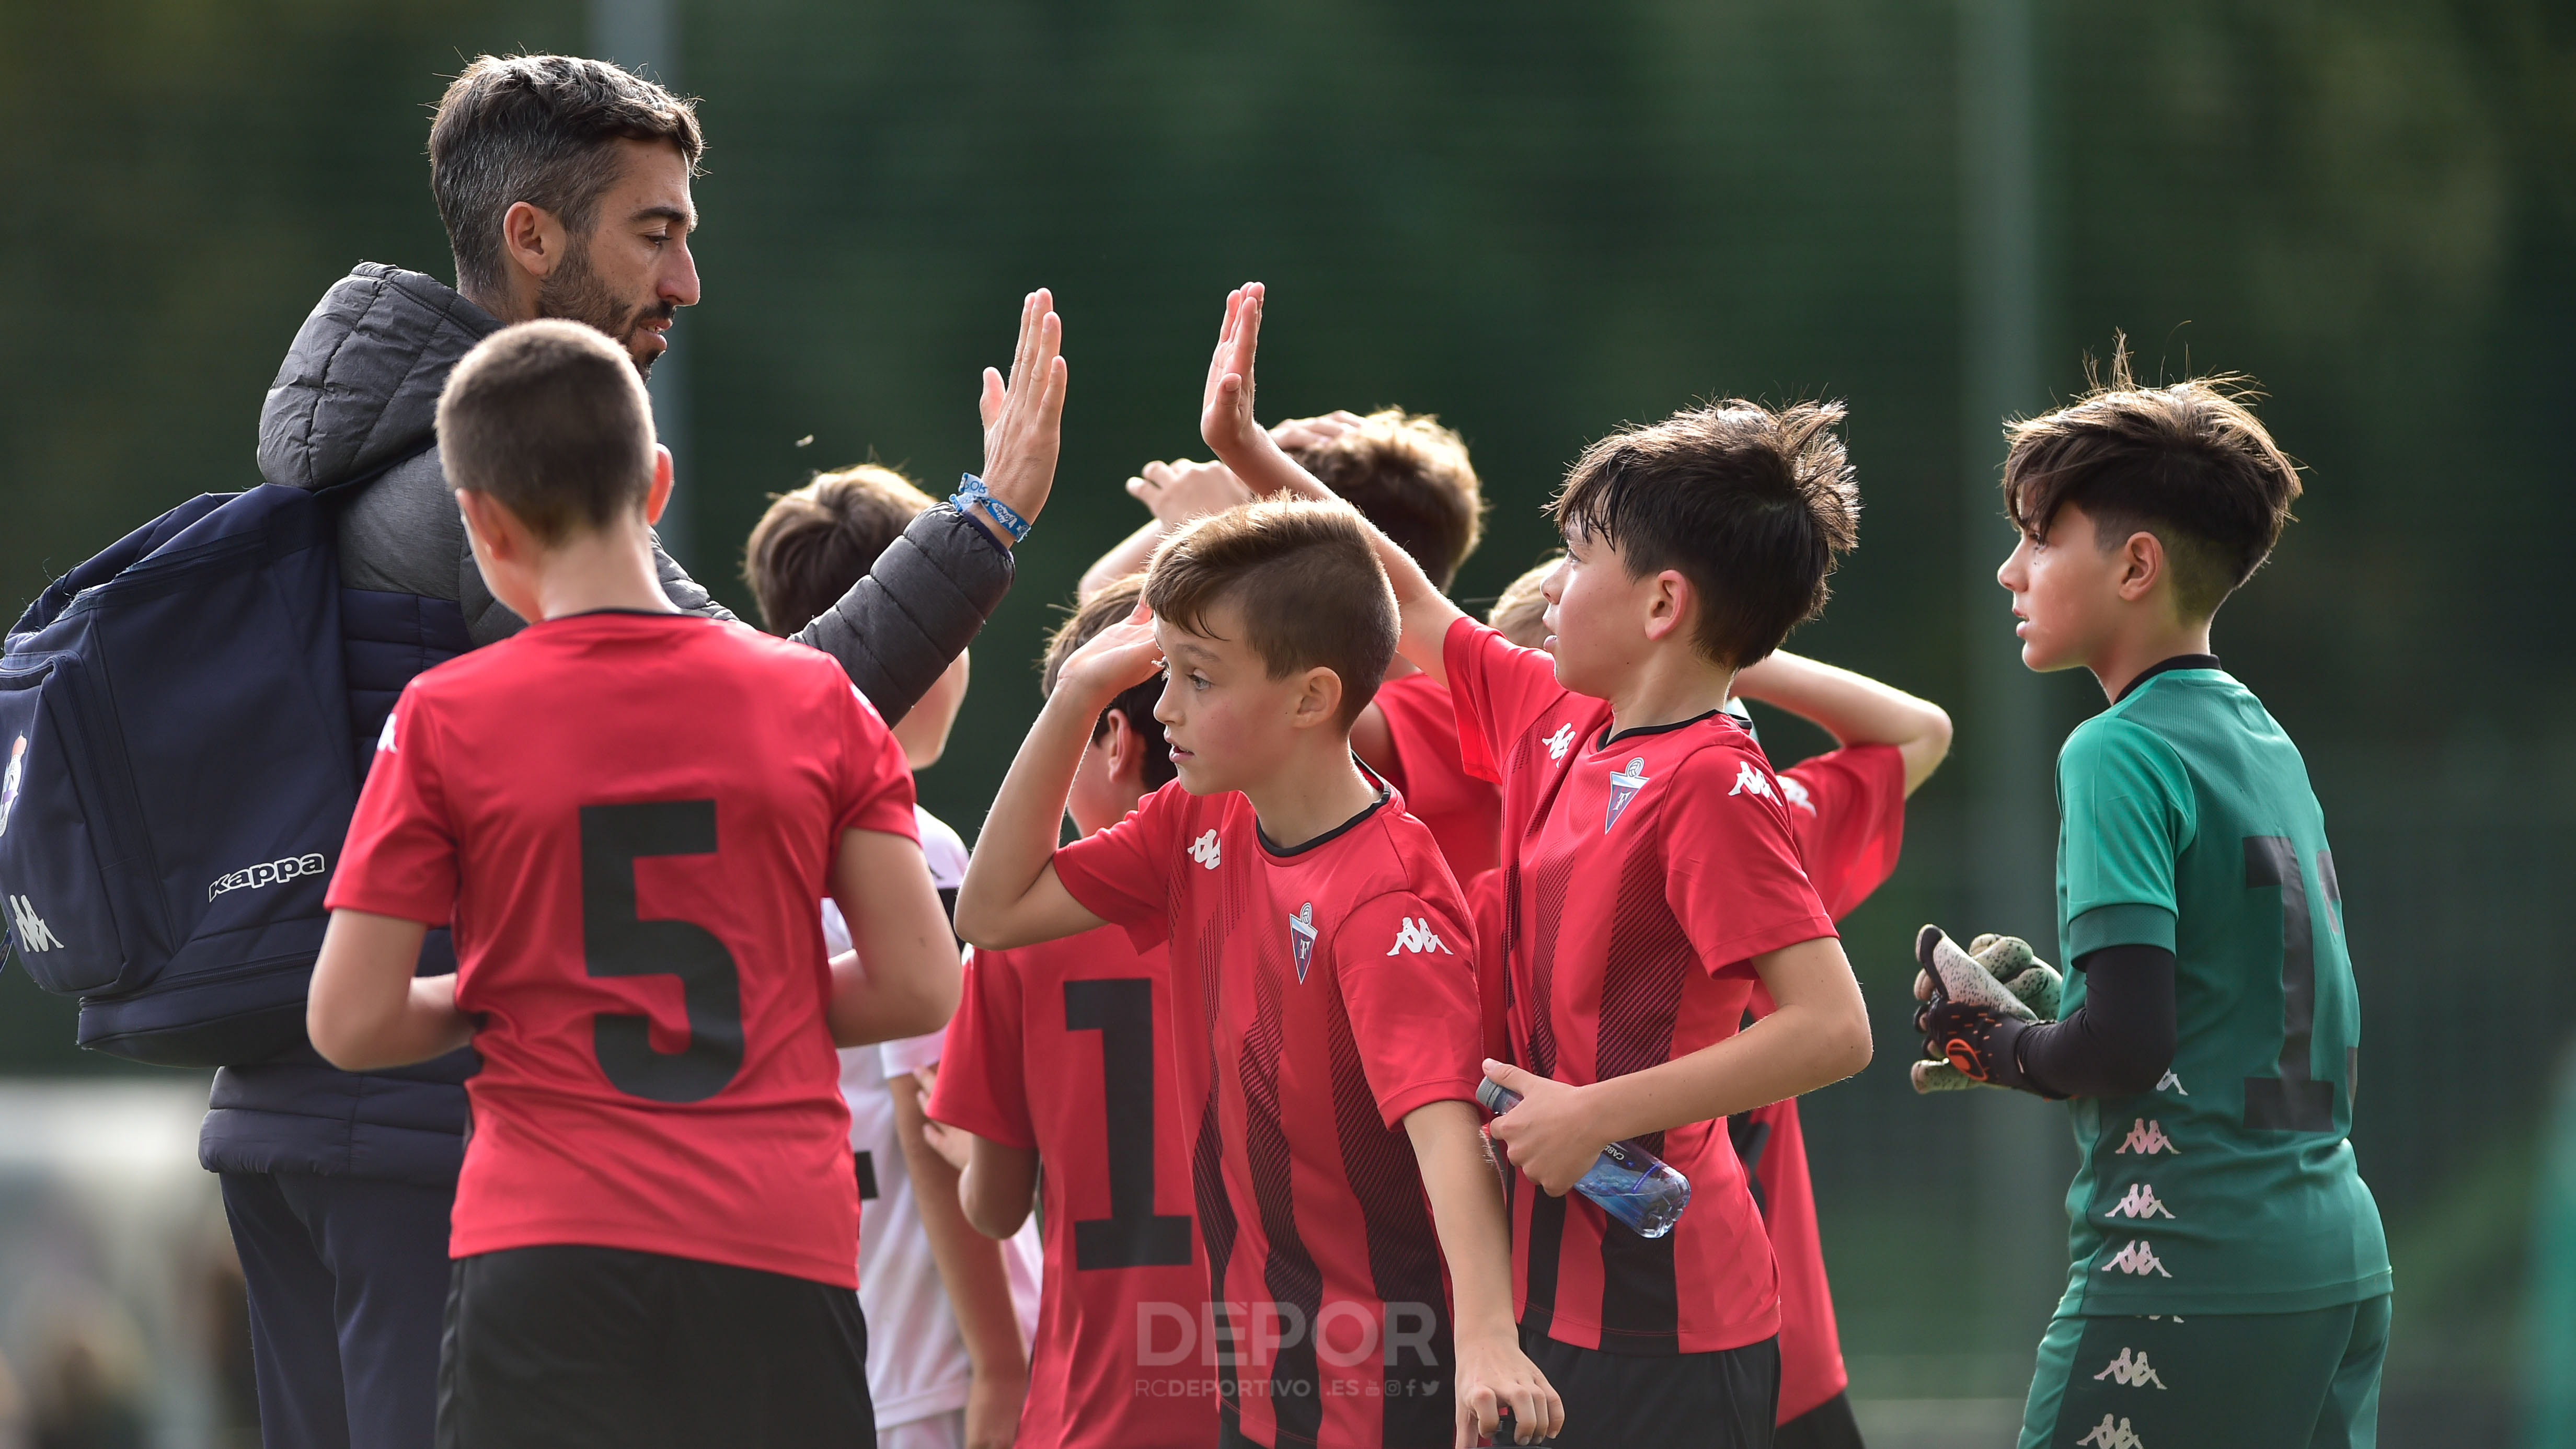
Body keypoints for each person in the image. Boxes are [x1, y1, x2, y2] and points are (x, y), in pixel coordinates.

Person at [211, 54, 1067, 1449]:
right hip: (490, 1163)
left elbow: (357, 998)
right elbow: (785, 710)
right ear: (531, 236)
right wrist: (981, 526)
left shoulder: (392, 490)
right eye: (655, 231)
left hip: (327, 1125)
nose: (687, 282)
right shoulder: (465, 512)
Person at [1198, 283, 1874, 1447]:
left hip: (1671, 1320)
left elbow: (1832, 1029)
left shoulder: (1714, 782)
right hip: (1544, 1292)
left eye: (1578, 556)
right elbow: (1403, 598)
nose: (1552, 586)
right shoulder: (1556, 719)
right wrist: (1249, 451)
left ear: (1664, 603)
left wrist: (1595, 1113)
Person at [302, 320, 969, 1444]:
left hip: (545, 1248)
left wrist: (528, 990)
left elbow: (351, 1018)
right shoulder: (817, 700)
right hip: (774, 1247)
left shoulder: (441, 721)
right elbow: (919, 983)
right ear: (656, 485)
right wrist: (752, 1002)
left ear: (480, 522)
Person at [953, 496, 1564, 1448]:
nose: (1162, 708)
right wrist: (1075, 694)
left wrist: (1488, 1340)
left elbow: (1450, 1141)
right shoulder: (1196, 821)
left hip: (1389, 1388)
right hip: (1261, 1378)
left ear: (1311, 697)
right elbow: (989, 911)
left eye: (1198, 678)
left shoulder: (1384, 897)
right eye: (1167, 672)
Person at [1929, 349, 2388, 1448]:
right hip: (2338, 1260)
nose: (2011, 571)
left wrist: (1988, 1045)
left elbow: (2128, 1045)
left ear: (2136, 566)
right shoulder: (2261, 735)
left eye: (2038, 537)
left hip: (2187, 1268)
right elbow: (2207, 1013)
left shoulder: (2115, 751)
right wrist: (2047, 1009)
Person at [745, 466, 1045, 1449]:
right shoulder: (917, 846)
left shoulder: (758, 835)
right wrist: (1002, 1363)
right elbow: (931, 1110)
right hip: (938, 1351)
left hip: (815, 1338)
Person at [918, 577, 1214, 1448]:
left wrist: (973, 1152)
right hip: (1303, 1381)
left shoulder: (1019, 940)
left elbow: (996, 1206)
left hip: (1104, 1400)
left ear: (1115, 739)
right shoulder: (1291, 884)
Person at [1080, 410, 1502, 880]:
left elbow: (1282, 701)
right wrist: (1248, 463)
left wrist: (1223, 514)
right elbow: (1104, 609)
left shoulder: (1451, 705)